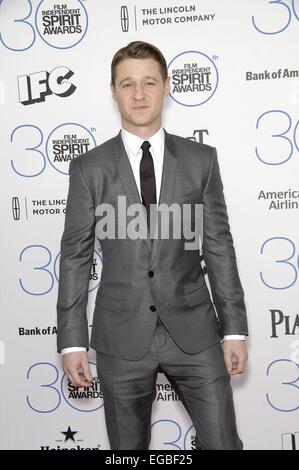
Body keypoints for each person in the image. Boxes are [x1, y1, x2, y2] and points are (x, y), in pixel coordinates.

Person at [57, 41, 248, 450]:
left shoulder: (202, 160)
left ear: (167, 86)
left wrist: (234, 329)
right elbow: (74, 257)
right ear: (113, 91)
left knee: (224, 444)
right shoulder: (89, 169)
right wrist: (73, 341)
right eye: (127, 84)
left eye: (149, 82)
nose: (139, 94)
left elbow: (219, 247)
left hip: (195, 331)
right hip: (120, 337)